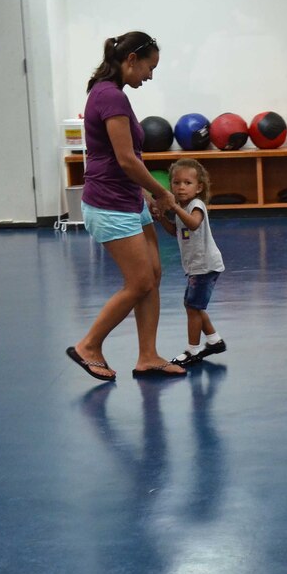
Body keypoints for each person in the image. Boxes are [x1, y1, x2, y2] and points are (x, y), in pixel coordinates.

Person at [66, 32, 185, 381]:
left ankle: (148, 356)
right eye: (149, 67)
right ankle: (89, 345)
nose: (150, 76)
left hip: (129, 199)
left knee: (153, 277)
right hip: (110, 203)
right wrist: (162, 194)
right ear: (132, 59)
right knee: (138, 282)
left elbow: (128, 161)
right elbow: (126, 160)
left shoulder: (111, 93)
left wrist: (146, 197)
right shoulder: (110, 96)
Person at [153, 158, 227, 367]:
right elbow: (174, 231)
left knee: (192, 307)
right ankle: (214, 340)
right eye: (176, 183)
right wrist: (162, 218)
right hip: (195, 266)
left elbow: (193, 224)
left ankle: (192, 350)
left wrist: (174, 207)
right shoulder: (183, 207)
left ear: (198, 187)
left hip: (205, 265)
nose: (181, 187)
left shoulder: (196, 205)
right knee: (193, 306)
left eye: (187, 183)